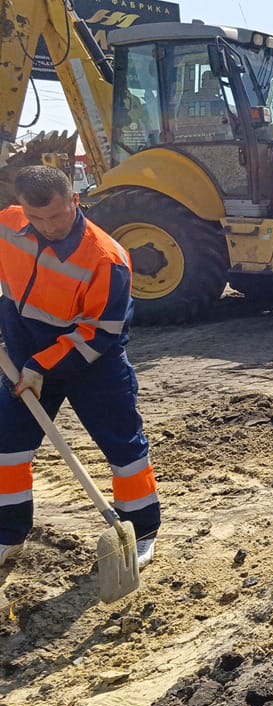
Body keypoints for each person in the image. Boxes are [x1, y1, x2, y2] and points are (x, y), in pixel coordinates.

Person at [0, 166, 160, 568]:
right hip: (25, 358)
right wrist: (29, 362)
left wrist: (42, 366)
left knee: (125, 451)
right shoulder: (8, 227)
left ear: (75, 200)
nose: (47, 226)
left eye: (56, 215)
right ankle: (9, 534)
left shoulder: (106, 258)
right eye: (35, 218)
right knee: (8, 448)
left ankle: (139, 535)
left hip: (94, 365)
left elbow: (100, 332)